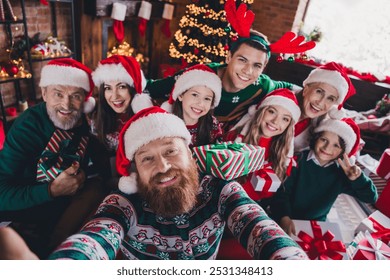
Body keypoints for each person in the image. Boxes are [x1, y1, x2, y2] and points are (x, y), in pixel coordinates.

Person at [49, 106, 308, 260]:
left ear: (190, 154)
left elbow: (260, 228)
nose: (162, 166)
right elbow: (94, 240)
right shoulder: (122, 203)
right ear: (135, 171)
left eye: (171, 151)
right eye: (147, 158)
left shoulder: (221, 191)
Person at [0, 58, 109, 258]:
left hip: (64, 214)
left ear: (85, 99)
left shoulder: (87, 124)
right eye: (58, 94)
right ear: (44, 94)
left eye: (75, 95)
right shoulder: (27, 127)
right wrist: (51, 190)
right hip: (23, 216)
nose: (66, 104)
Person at [146, 29, 298, 132]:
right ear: (229, 57)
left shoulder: (262, 86)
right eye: (242, 60)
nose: (248, 71)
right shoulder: (199, 75)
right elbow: (151, 88)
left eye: (257, 65)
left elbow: (293, 88)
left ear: (263, 67)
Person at [218, 88, 301, 259]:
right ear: (261, 111)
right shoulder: (234, 139)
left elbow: (279, 194)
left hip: (255, 215)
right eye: (272, 111)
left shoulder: (282, 155)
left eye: (285, 119)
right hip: (223, 210)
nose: (276, 121)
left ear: (288, 126)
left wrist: (284, 215)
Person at [268, 117, 378, 236]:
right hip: (284, 217)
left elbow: (371, 198)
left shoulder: (341, 174)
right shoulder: (298, 160)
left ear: (344, 152)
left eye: (336, 145)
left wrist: (358, 179)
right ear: (316, 138)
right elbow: (281, 193)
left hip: (315, 226)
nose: (327, 148)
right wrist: (284, 217)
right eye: (324, 139)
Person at [91, 55, 153, 184]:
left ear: (133, 88)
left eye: (122, 87)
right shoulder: (98, 118)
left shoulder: (150, 117)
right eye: (108, 88)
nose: (114, 96)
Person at [293, 61, 356, 152]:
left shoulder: (322, 123)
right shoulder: (281, 102)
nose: (321, 102)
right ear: (306, 89)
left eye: (330, 99)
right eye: (319, 91)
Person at [161, 64, 223, 147]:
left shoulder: (212, 125)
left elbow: (218, 152)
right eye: (195, 95)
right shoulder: (165, 123)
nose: (200, 103)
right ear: (181, 95)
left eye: (207, 99)